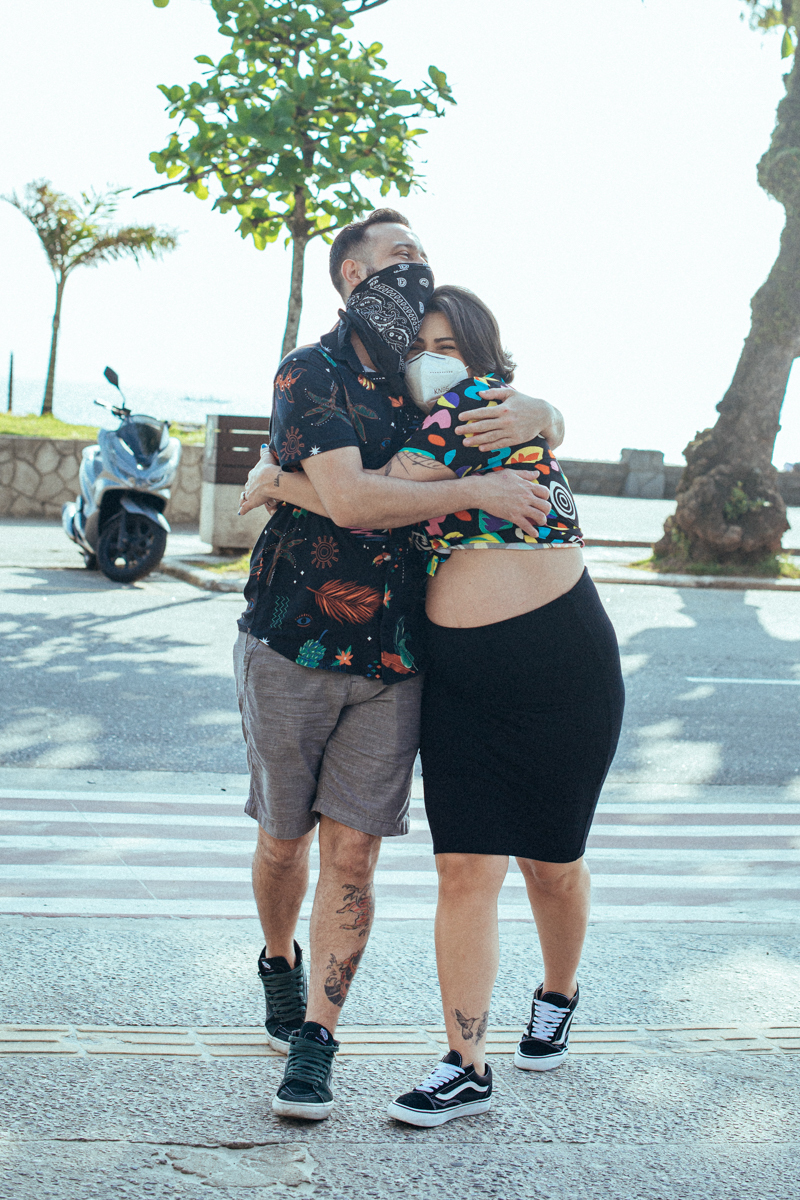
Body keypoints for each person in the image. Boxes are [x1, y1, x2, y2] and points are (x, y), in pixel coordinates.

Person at [253, 285, 625, 1128]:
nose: (434, 357)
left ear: (481, 354)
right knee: (465, 870)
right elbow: (374, 498)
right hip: (457, 673)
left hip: (561, 663)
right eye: (421, 342)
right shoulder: (410, 417)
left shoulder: (480, 408)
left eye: (450, 342)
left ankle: (558, 993)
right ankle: (466, 1064)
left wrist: (277, 478)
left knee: (551, 863)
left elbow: (366, 497)